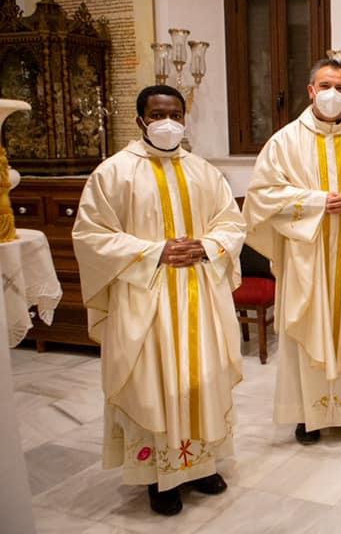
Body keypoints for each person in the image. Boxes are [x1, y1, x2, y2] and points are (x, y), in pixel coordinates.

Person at [72, 85, 246, 516]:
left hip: (198, 294)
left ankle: (201, 464)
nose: (166, 122)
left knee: (203, 378)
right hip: (144, 297)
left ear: (184, 120)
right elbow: (91, 236)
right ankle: (158, 477)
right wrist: (155, 251)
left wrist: (207, 246)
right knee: (153, 383)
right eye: (156, 114)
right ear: (140, 121)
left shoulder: (204, 172)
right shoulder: (113, 174)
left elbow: (232, 222)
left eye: (174, 114)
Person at [243, 58, 341, 445]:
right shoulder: (285, 141)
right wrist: (318, 202)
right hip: (308, 254)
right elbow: (262, 196)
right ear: (310, 90)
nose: (332, 94)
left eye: (339, 87)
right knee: (310, 329)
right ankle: (309, 415)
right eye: (325, 86)